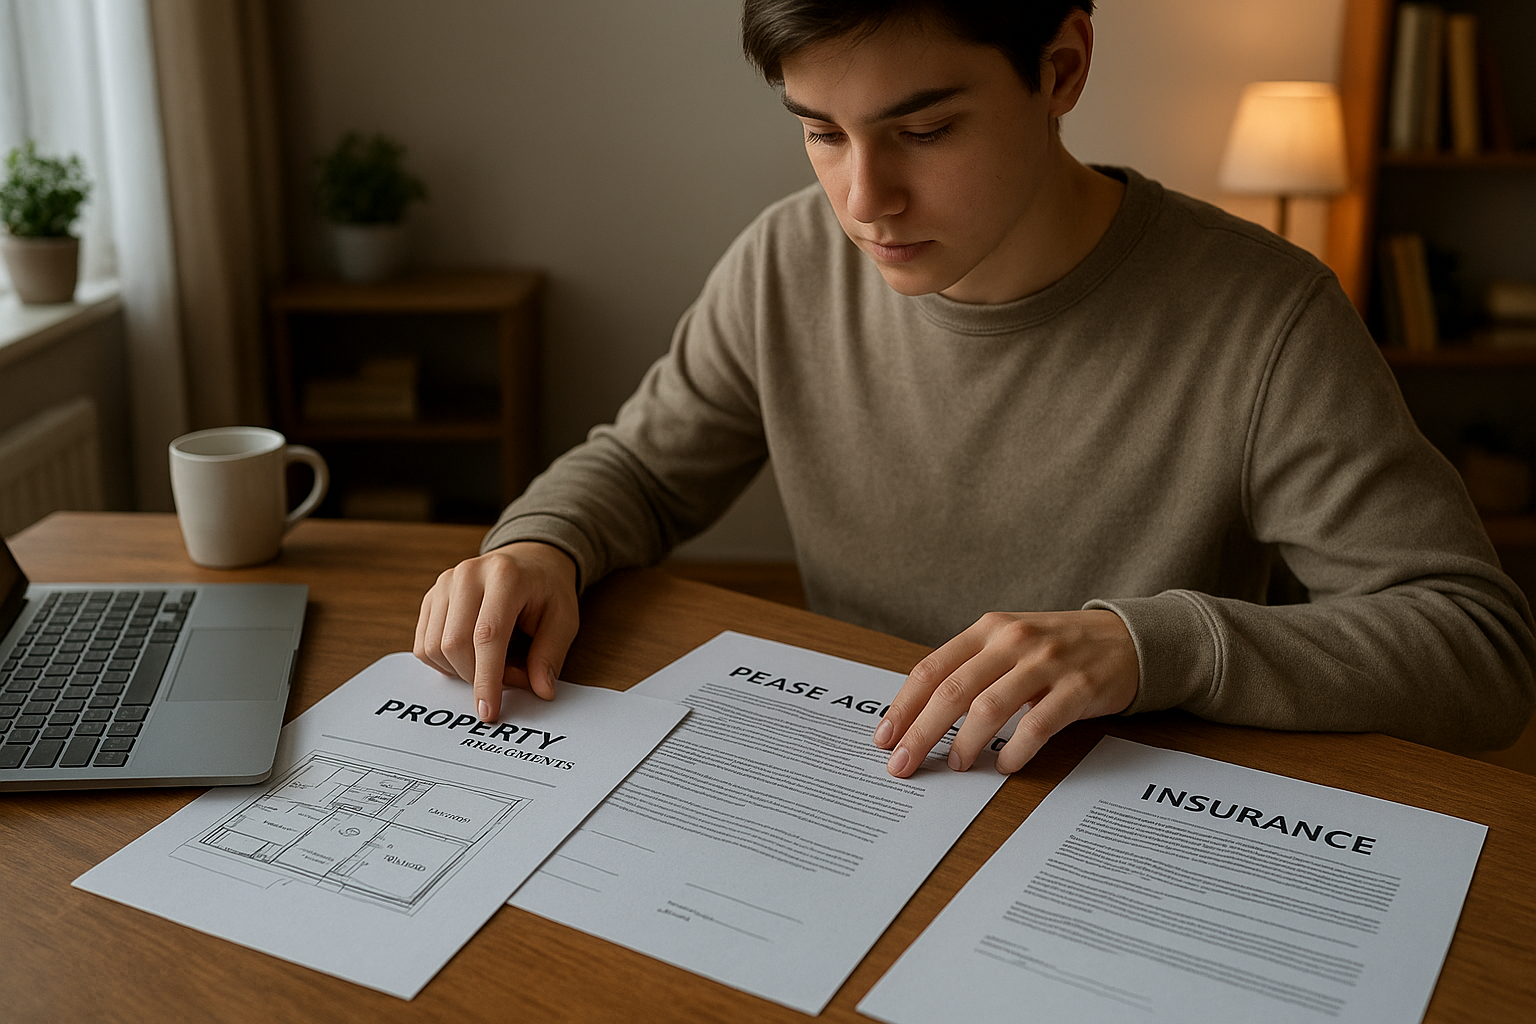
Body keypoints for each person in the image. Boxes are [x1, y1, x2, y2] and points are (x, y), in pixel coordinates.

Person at [414, 0, 1535, 779]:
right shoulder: (787, 260)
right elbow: (645, 468)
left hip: (1121, 828)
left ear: (1062, 69)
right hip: (866, 794)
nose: (865, 200)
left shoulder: (1267, 319)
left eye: (925, 129)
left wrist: (1155, 646)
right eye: (820, 132)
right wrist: (542, 544)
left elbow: (1476, 652)